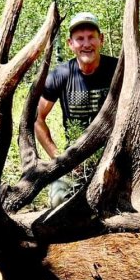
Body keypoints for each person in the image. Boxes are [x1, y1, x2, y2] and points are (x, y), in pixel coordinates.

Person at [34, 12, 118, 206]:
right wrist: (60, 158)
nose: (86, 44)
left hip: (116, 154)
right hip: (77, 159)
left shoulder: (118, 69)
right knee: (59, 199)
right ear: (70, 44)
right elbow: (37, 118)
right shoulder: (59, 75)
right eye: (80, 39)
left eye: (91, 37)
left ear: (101, 40)